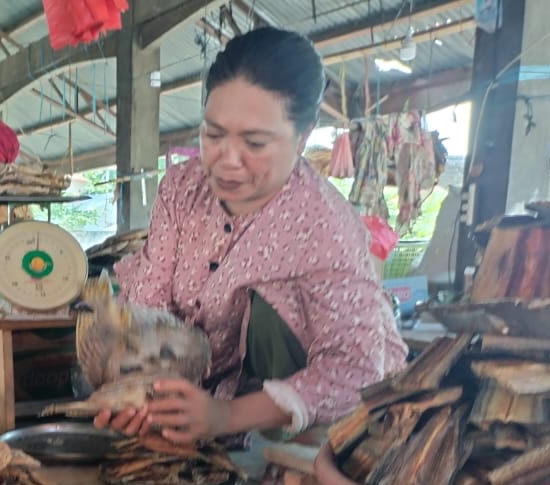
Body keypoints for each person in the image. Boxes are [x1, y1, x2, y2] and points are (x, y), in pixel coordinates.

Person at [99, 27, 407, 446]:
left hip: (317, 414)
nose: (227, 160)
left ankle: (293, 448)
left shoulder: (325, 224)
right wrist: (143, 394)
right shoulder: (181, 188)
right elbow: (146, 304)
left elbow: (356, 369)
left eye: (255, 143)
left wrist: (225, 415)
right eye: (213, 134)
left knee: (269, 307)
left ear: (303, 136)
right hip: (208, 395)